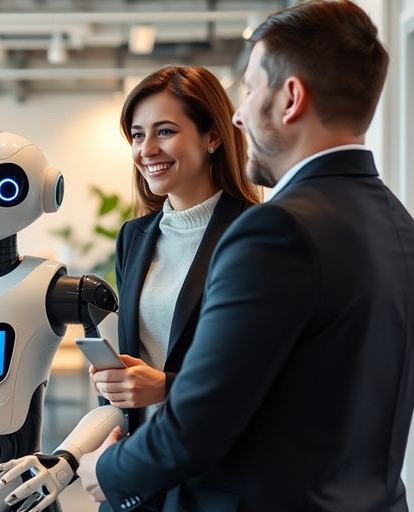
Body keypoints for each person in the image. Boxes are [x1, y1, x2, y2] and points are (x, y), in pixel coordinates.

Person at [79, 2, 414, 511]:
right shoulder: (397, 222)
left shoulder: (275, 229)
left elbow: (202, 421)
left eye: (249, 89)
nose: (240, 114)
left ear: (290, 98)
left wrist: (102, 471)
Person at [89, 68, 260, 503]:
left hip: (216, 474)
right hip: (140, 464)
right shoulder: (134, 237)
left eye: (165, 131)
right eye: (137, 134)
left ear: (213, 137)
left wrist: (165, 385)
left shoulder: (254, 233)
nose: (147, 150)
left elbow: (258, 376)